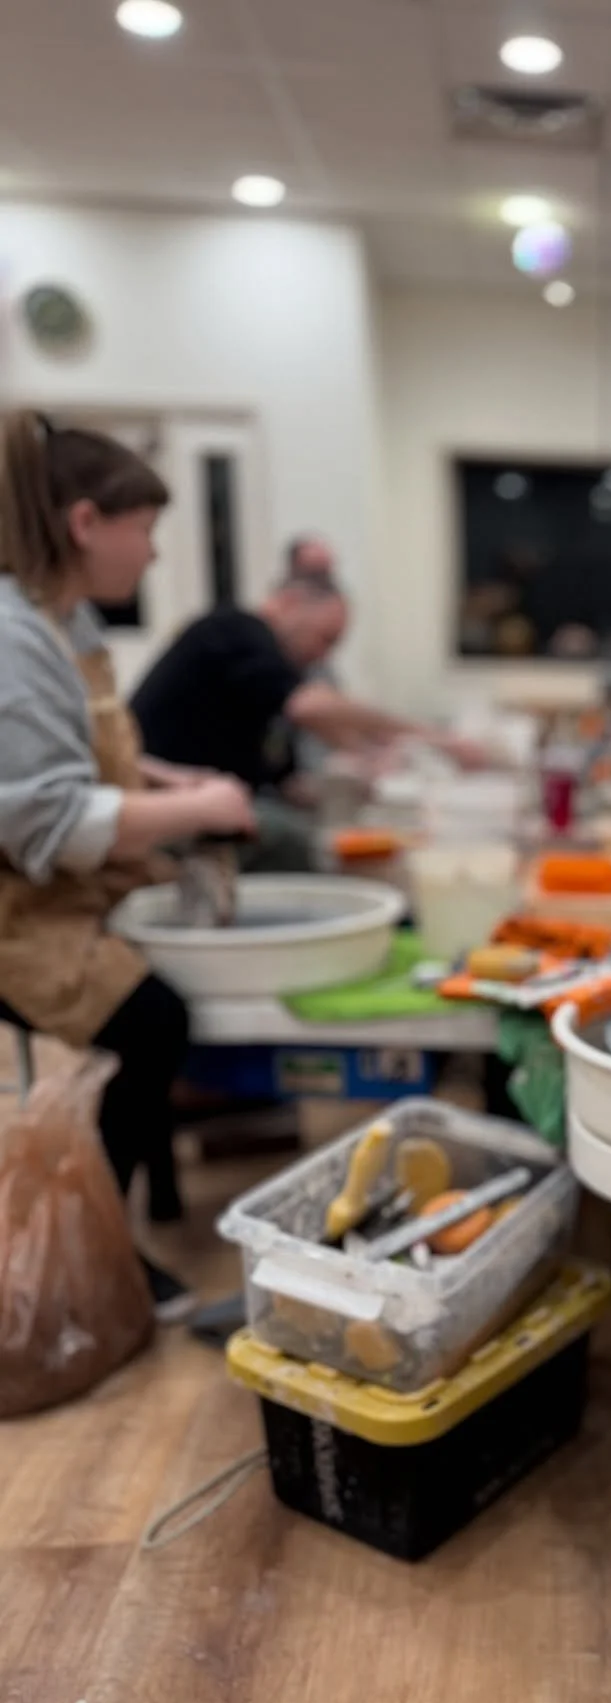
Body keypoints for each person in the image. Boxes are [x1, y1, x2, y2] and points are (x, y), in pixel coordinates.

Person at [0, 411, 259, 1317]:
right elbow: (56, 821)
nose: (152, 555)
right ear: (84, 524)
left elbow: (81, 757)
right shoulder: (13, 640)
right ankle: (95, 1260)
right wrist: (202, 809)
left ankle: (130, 1206)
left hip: (62, 887)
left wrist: (165, 778)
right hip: (19, 912)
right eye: (144, 529)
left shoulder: (63, 622)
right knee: (150, 1022)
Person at [130, 577, 489, 869]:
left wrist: (354, 773)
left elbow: (279, 774)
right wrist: (435, 738)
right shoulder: (237, 629)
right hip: (162, 806)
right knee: (308, 847)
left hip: (208, 800)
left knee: (341, 830)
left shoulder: (262, 675)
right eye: (325, 638)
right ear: (289, 603)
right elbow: (310, 707)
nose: (325, 654)